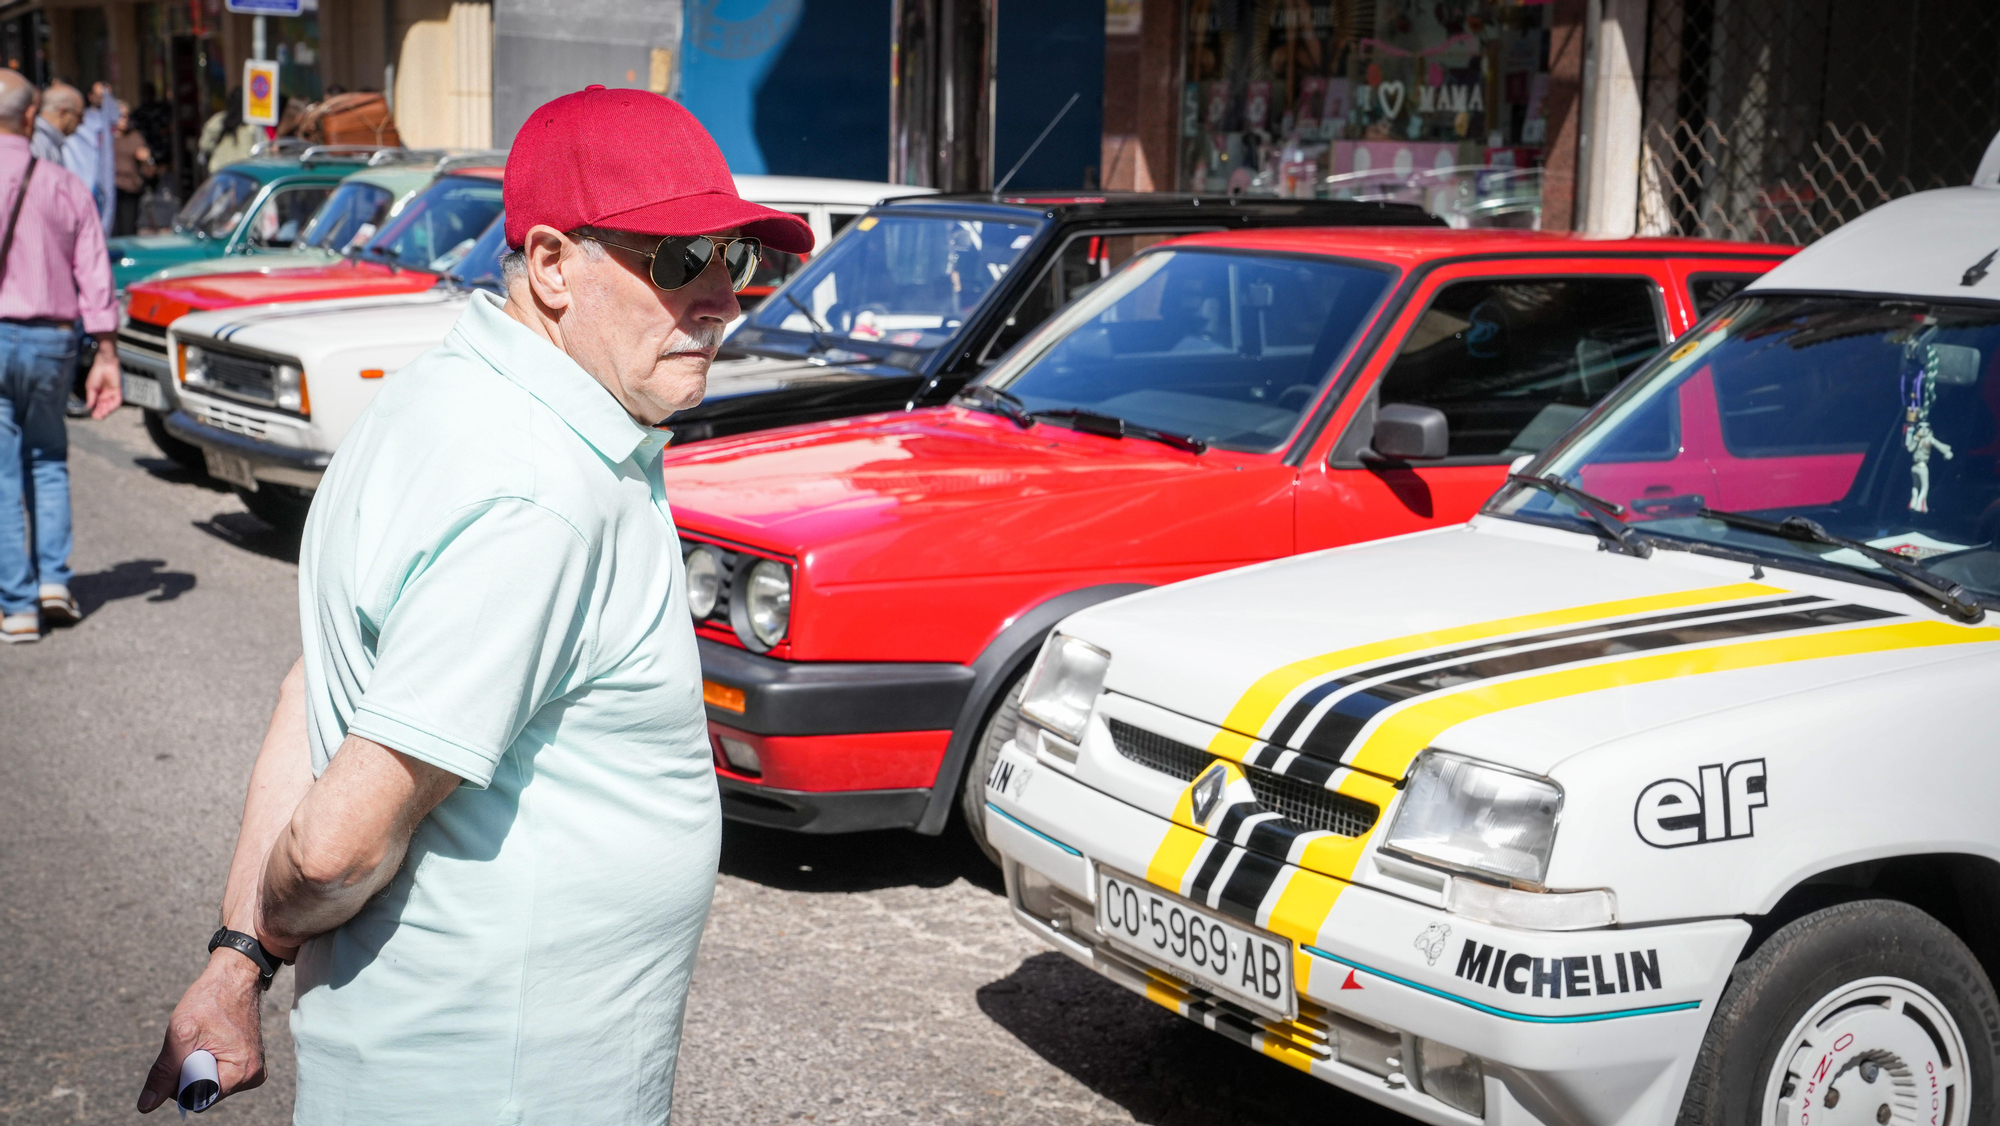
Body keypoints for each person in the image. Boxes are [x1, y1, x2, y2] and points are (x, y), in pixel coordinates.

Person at [134, 86, 813, 1120]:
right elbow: (334, 845)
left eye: (742, 261)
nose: (720, 297)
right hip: (502, 1083)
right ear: (549, 266)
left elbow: (314, 689)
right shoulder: (538, 490)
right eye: (679, 261)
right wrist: (262, 935)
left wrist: (235, 963)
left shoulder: (440, 395)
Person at [0, 70, 121, 644]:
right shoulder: (63, 184)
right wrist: (107, 349)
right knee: (47, 458)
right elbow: (93, 268)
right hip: (52, 337)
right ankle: (54, 582)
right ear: (31, 117)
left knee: (1, 472)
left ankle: (18, 606)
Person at [112, 103, 152, 236]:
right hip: (111, 190)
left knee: (128, 229)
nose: (125, 119)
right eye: (121, 116)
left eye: (127, 116)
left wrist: (146, 159)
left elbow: (150, 171)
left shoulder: (135, 137)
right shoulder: (105, 137)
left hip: (130, 190)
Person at [197, 88, 255, 174]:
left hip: (220, 170)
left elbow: (204, 145)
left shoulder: (218, 121)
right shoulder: (252, 124)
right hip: (245, 172)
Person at [29, 81, 77, 163]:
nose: (82, 122)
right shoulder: (37, 141)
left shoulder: (48, 139)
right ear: (63, 113)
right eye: (80, 116)